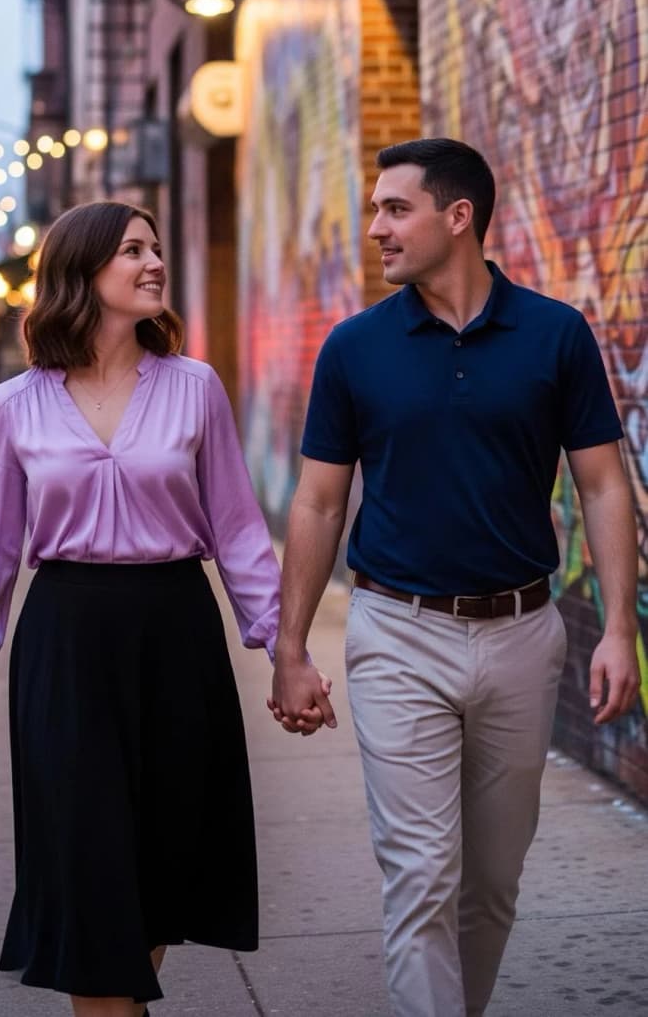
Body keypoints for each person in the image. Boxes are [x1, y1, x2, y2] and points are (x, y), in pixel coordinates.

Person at [270, 138, 640, 1017]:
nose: (376, 228)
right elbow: (318, 502)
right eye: (375, 209)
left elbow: (602, 484)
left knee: (493, 880)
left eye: (396, 209)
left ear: (459, 215)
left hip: (523, 633)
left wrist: (620, 627)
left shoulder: (555, 333)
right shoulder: (355, 347)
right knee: (421, 873)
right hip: (397, 632)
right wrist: (289, 646)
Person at [0, 200, 315, 1017]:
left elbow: (238, 529)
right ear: (82, 271)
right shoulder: (17, 403)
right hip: (66, 641)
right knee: (86, 866)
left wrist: (285, 650)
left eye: (155, 248)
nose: (154, 263)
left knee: (159, 863)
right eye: (132, 250)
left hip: (177, 634)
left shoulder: (195, 386)